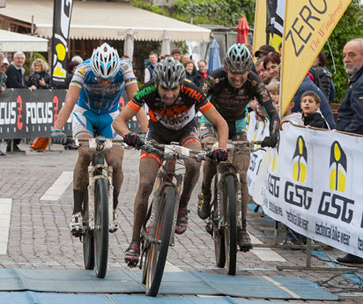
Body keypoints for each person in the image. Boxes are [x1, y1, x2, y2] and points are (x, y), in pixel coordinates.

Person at [112, 57, 229, 266]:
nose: (169, 94)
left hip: (186, 132)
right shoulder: (146, 91)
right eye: (164, 89)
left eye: (173, 89)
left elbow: (220, 122)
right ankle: (134, 242)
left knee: (194, 162)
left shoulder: (191, 90)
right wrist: (129, 135)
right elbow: (118, 121)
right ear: (156, 84)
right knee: (146, 183)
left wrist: (221, 147)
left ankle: (183, 205)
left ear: (180, 84)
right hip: (157, 134)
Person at [50, 43, 148, 236]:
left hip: (110, 116)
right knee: (86, 153)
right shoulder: (83, 69)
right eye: (100, 79)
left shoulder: (125, 69)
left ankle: (113, 207)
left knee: (116, 162)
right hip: (85, 114)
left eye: (109, 79)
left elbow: (135, 102)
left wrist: (146, 131)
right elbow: (69, 102)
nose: (104, 83)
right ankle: (77, 212)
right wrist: (57, 129)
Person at [197, 44, 280, 249]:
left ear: (248, 70)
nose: (237, 78)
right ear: (227, 69)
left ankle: (242, 228)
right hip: (212, 122)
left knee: (241, 173)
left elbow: (271, 111)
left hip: (237, 124)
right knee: (212, 153)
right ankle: (206, 192)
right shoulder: (215, 78)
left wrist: (274, 133)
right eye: (233, 73)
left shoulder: (253, 80)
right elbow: (195, 102)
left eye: (242, 73)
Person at [336, 38, 363, 264]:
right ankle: (355, 250)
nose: (346, 59)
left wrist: (346, 138)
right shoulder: (356, 78)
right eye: (345, 54)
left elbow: (361, 116)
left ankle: (357, 250)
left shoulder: (361, 82)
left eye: (352, 55)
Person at [6, 51, 36, 153]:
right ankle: (11, 144)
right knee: (14, 122)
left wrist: (31, 85)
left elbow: (24, 82)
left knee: (20, 122)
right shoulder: (11, 69)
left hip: (20, 99)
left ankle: (15, 144)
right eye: (18, 58)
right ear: (14, 59)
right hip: (13, 99)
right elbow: (13, 83)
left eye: (22, 58)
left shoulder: (21, 70)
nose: (20, 60)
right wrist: (27, 88)